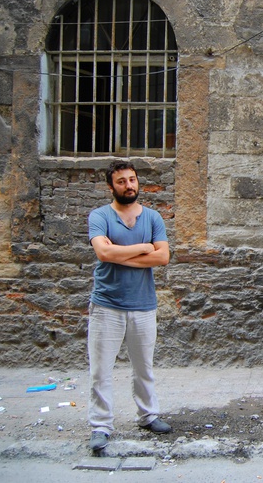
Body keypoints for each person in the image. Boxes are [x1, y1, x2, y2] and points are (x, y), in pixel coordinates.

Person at [86, 160, 172, 452]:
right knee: (101, 370)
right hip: (106, 304)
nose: (128, 185)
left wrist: (116, 254)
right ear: (111, 186)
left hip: (143, 304)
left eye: (132, 180)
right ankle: (100, 426)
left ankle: (148, 416)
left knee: (143, 367)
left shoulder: (152, 218)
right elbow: (102, 251)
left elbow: (163, 258)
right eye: (121, 181)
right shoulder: (99, 216)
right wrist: (143, 247)